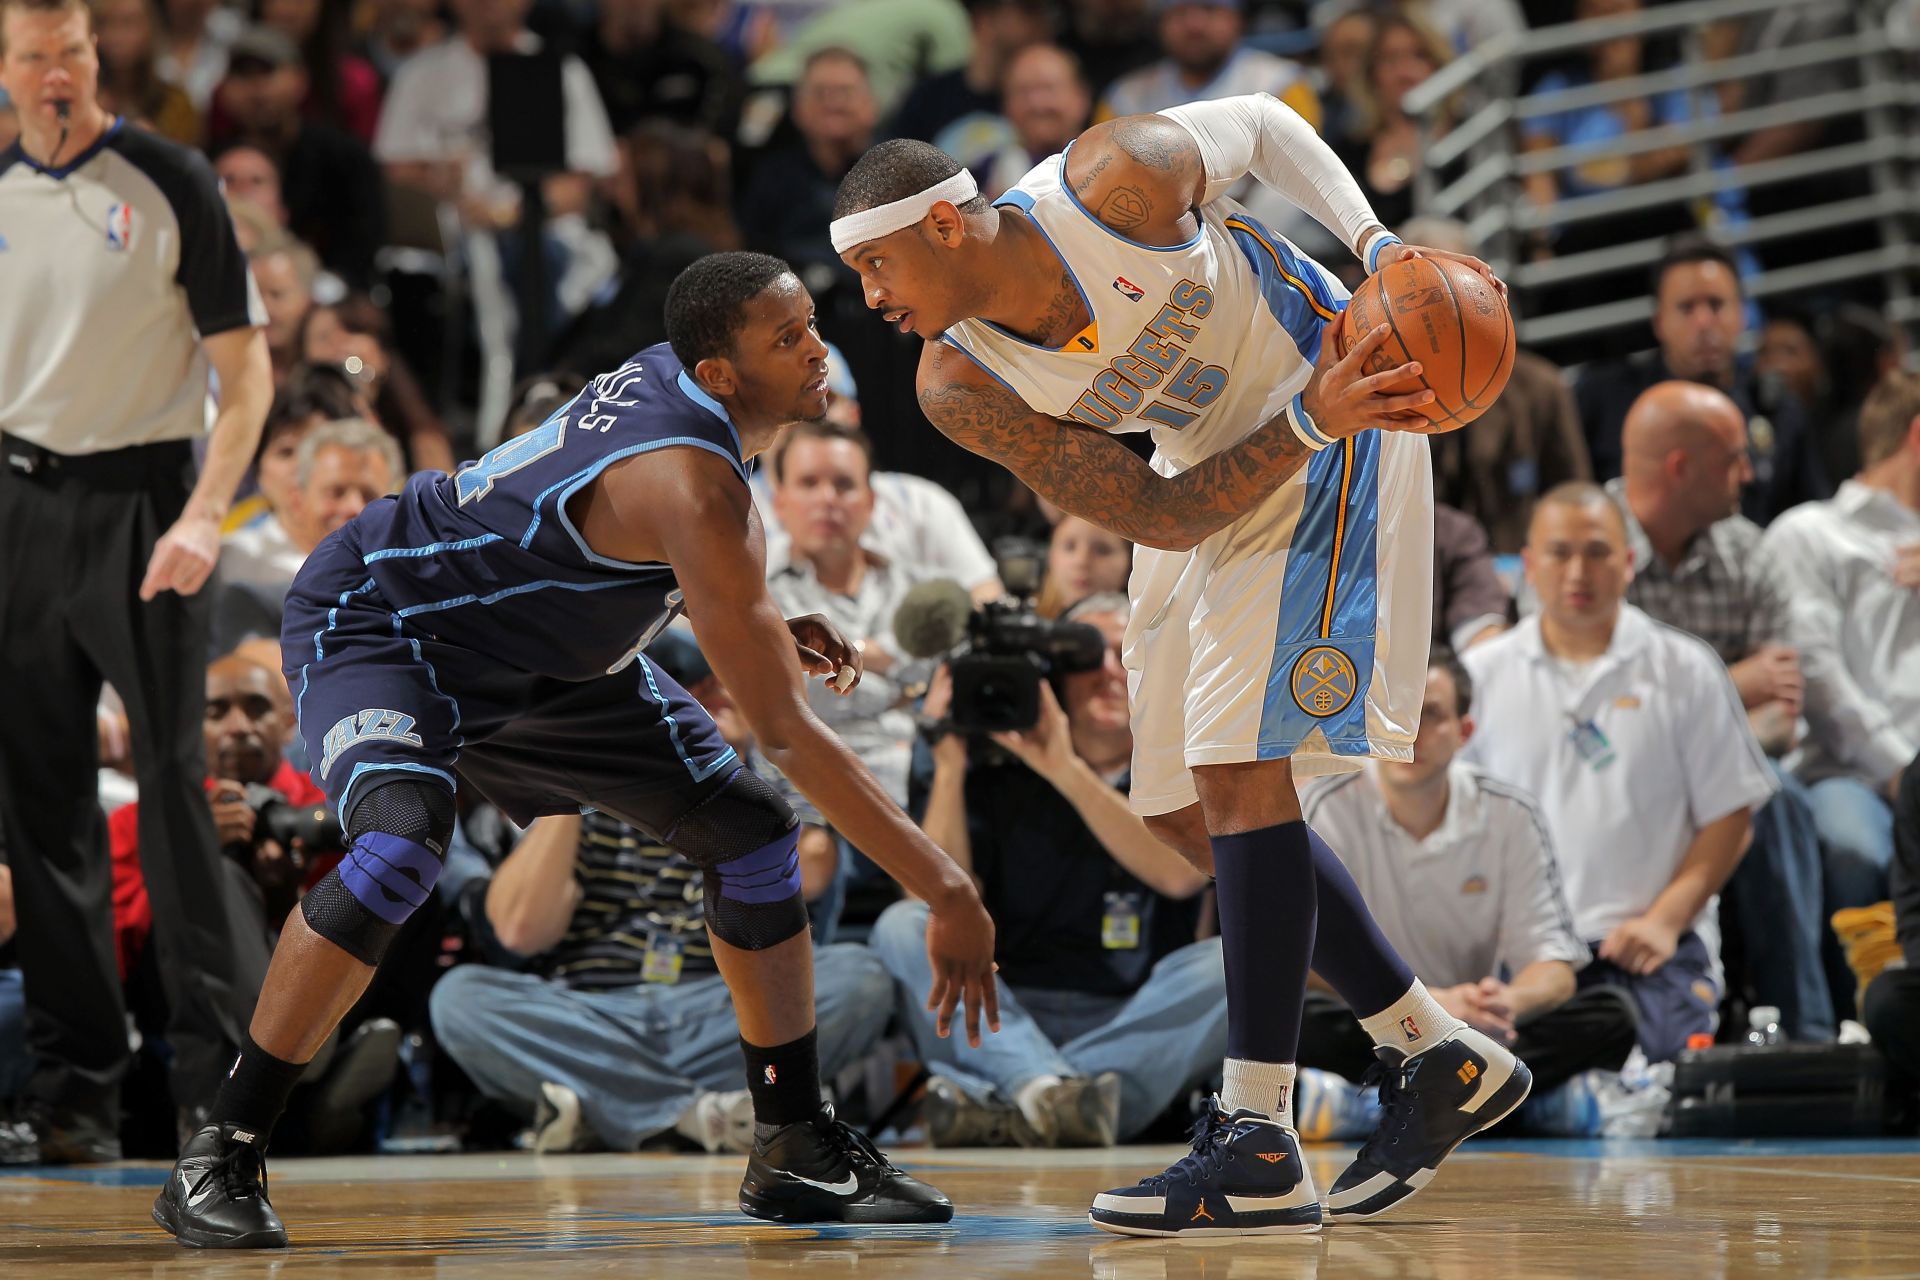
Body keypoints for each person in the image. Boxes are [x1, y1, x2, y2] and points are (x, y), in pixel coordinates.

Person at [151, 251, 999, 1248]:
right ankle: (222, 1148)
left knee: (750, 829)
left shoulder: (691, 405)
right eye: (791, 338)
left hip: (548, 656)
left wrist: (748, 613)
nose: (821, 350)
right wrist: (947, 890)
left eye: (813, 324)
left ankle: (793, 1145)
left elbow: (585, 531)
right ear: (720, 373)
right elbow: (785, 729)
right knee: (401, 845)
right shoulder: (696, 486)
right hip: (388, 618)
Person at [832, 97, 1529, 1235]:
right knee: (1174, 812)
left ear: (948, 225)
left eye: (877, 264)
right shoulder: (959, 384)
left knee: (1237, 767)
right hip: (1230, 465)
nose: (869, 297)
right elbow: (1153, 513)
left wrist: (1379, 249)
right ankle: (1434, 1052)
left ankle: (1258, 1131)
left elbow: (1262, 123)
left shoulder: (1115, 178)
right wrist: (1294, 425)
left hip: (1343, 399)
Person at [0, 0, 272, 1165]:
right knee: (40, 798)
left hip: (149, 500)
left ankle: (219, 1086)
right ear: (4, 72)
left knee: (169, 783)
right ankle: (76, 1091)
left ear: (94, 59)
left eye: (70, 53)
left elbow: (246, 372)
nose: (53, 74)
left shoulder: (168, 177)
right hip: (18, 501)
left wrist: (208, 510)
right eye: (31, 56)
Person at [872, 594, 1221, 1149]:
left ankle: (1009, 1103)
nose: (1109, 671)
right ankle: (1052, 1095)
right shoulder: (985, 759)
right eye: (1086, 656)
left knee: (1233, 961)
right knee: (903, 923)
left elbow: (1181, 874)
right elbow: (936, 893)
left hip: (1131, 1021)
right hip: (999, 1013)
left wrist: (1064, 768)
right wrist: (948, 762)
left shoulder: (1184, 762)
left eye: (1125, 653)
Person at [1463, 485, 1777, 1062]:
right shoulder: (1480, 676)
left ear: (1629, 563)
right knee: (1491, 1063)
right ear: (1528, 567)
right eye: (1559, 553)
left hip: (1652, 953)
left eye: (1598, 552)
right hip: (1523, 960)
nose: (1578, 571)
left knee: (1642, 1068)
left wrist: (1664, 920)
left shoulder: (1685, 667)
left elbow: (1732, 817)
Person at [1299, 650, 1635, 1125]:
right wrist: (1426, 1004)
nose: (1409, 731)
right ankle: (1511, 1107)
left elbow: (1554, 969)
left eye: (1430, 714)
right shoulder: (1324, 807)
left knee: (1613, 1014)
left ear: (1464, 732)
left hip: (1476, 1026)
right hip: (1379, 1020)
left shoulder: (1510, 814)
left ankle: (1377, 1111)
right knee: (1290, 1018)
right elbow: (1301, 959)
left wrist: (1505, 1002)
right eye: (1394, 713)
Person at [1607, 381, 1831, 1039]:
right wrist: (1733, 686)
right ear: (1681, 468)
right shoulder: (1585, 543)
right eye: (1734, 457)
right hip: (1604, 770)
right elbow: (1586, 701)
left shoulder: (1748, 552)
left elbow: (1782, 718)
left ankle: (1805, 1037)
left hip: (1730, 777)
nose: (1752, 472)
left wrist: (1680, 723)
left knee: (1775, 796)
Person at [1761, 369, 1920, 957]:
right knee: (1853, 848)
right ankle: (1848, 1035)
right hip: (1852, 774)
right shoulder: (1811, 532)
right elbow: (1819, 679)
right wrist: (1905, 770)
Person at [1573, 237, 1828, 524]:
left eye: (1716, 305)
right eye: (1687, 308)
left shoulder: (1777, 408)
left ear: (1742, 315)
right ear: (1659, 323)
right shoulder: (1607, 400)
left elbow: (1812, 518)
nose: (1704, 323)